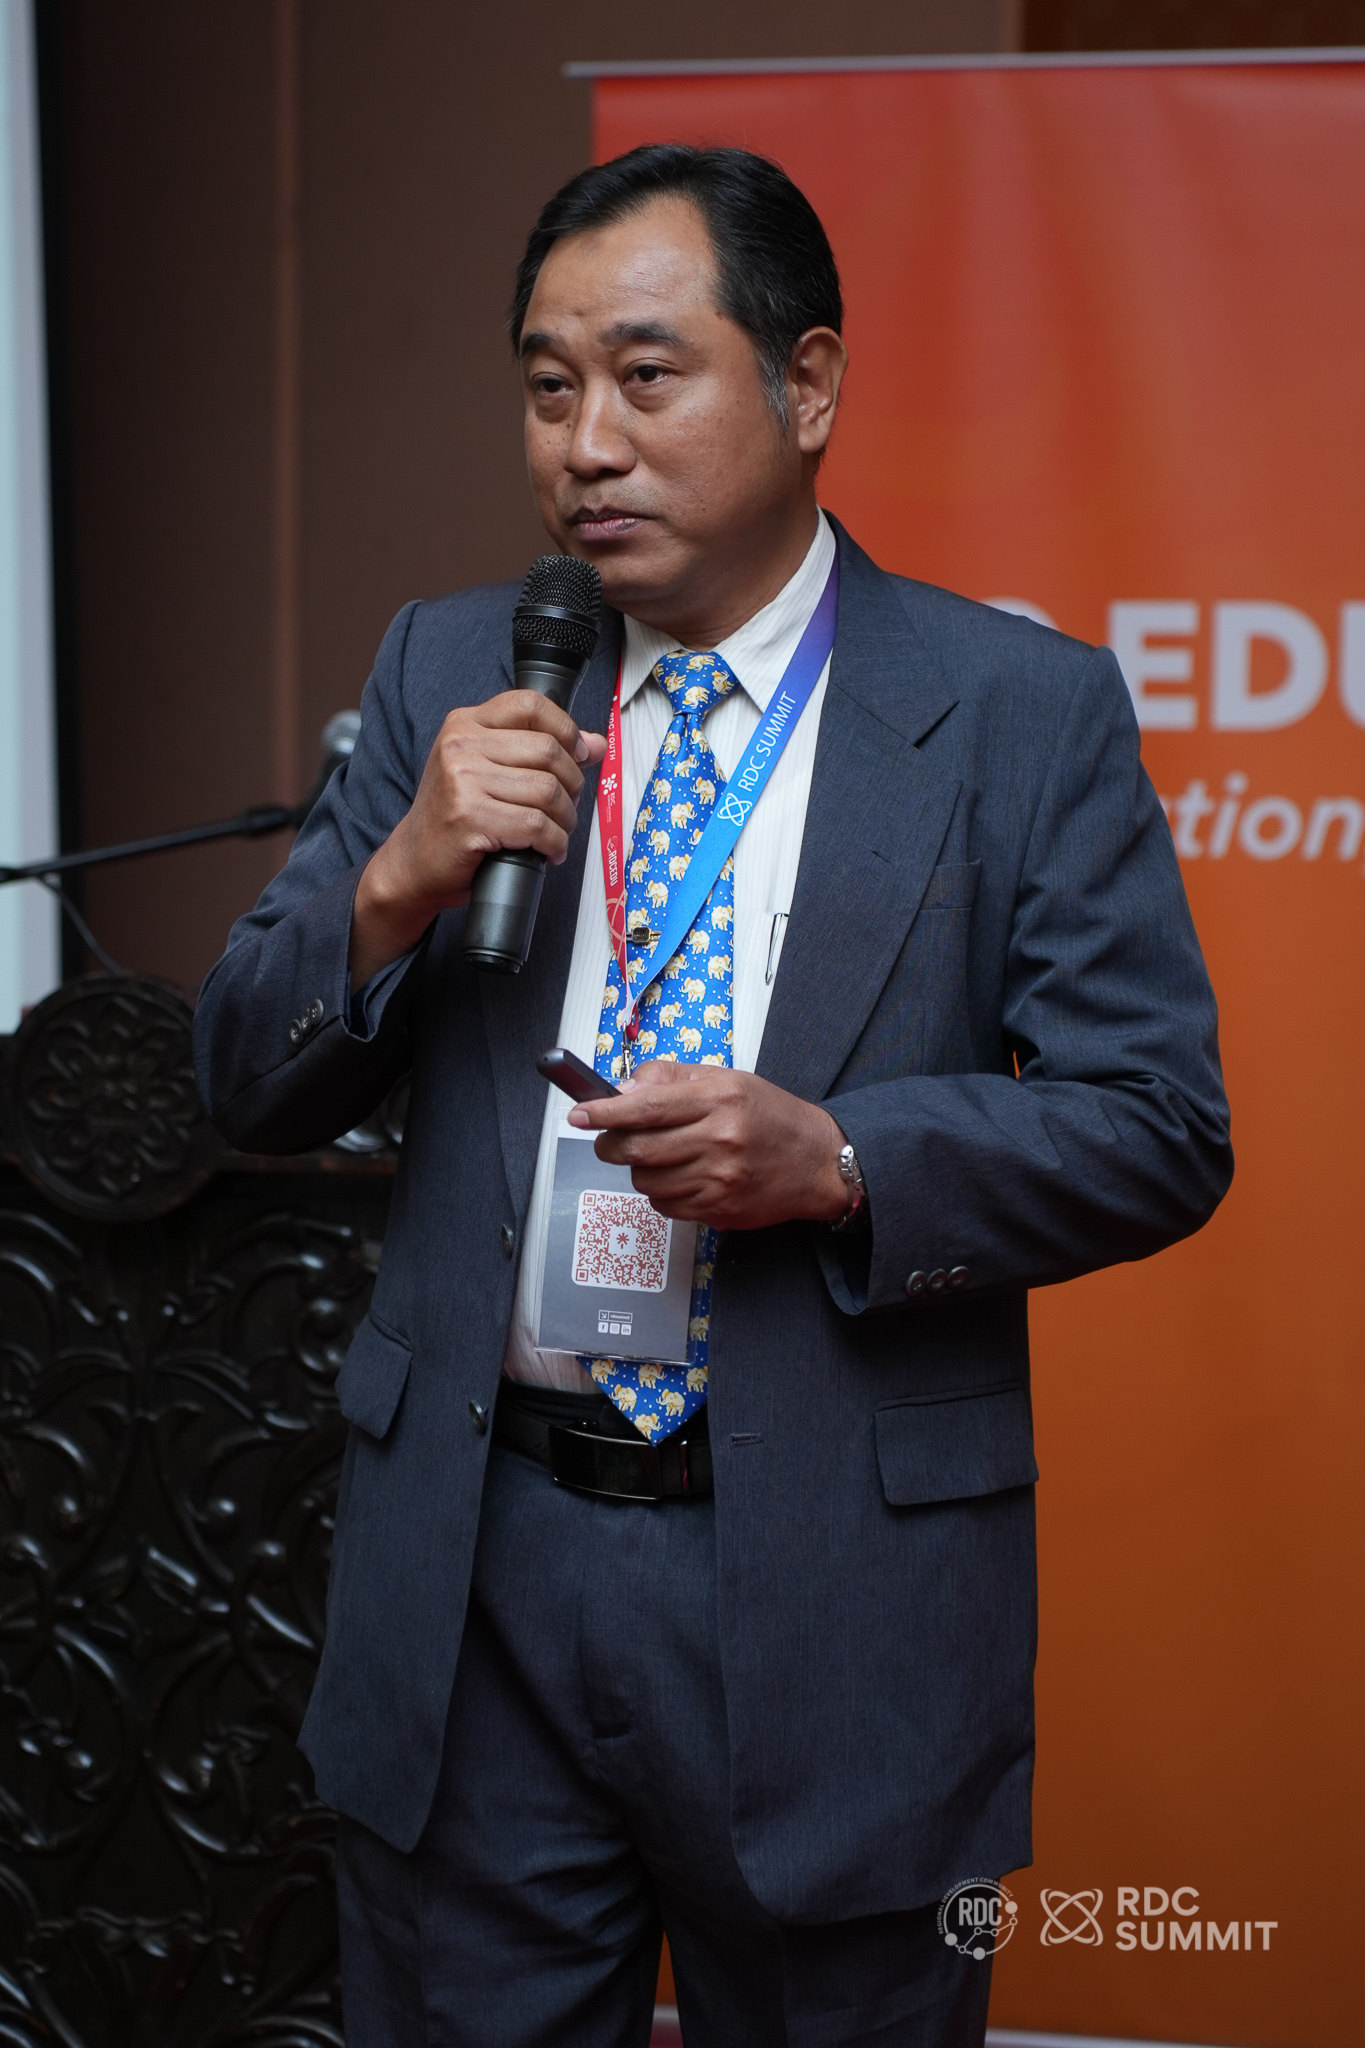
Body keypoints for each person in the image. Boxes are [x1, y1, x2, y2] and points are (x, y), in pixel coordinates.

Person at [194, 144, 1232, 2047]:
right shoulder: (451, 667)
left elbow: (1158, 1125)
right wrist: (394, 882)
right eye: (545, 386)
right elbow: (239, 1082)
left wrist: (840, 1160)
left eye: (646, 376)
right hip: (482, 1578)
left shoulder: (1015, 711)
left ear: (807, 384)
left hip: (833, 1590)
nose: (585, 444)